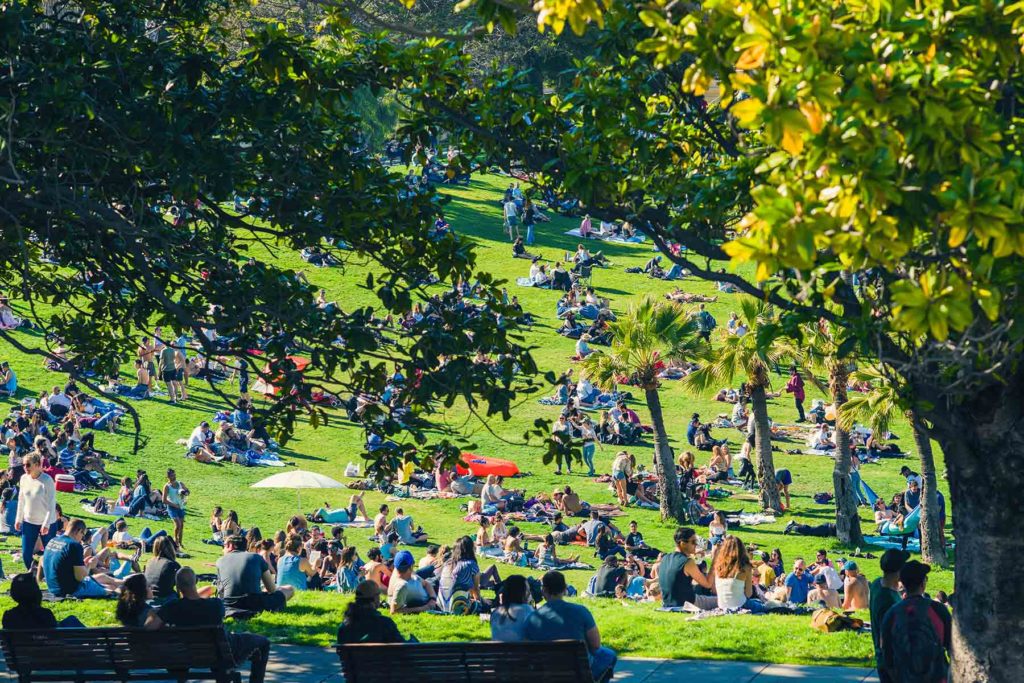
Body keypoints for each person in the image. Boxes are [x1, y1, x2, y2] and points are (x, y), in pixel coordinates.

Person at [158, 567, 272, 683]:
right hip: (219, 654)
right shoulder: (215, 605)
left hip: (184, 655)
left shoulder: (171, 607)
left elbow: (150, 626)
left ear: (177, 586)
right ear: (196, 581)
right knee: (263, 642)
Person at [525, 571, 617, 682]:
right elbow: (595, 645)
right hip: (578, 671)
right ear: (564, 589)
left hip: (547, 671)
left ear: (543, 590)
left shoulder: (533, 617)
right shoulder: (580, 611)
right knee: (609, 655)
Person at [880, 561, 951, 683]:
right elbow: (952, 648)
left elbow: (887, 657)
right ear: (923, 583)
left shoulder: (892, 614)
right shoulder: (938, 610)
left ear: (902, 583)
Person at [216, 534, 294, 615]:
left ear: (230, 545)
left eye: (224, 546)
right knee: (289, 589)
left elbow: (221, 593)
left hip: (229, 605)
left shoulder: (220, 561)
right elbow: (272, 589)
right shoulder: (256, 557)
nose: (223, 550)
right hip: (255, 604)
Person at [41, 518, 120, 598]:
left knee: (102, 579)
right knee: (111, 590)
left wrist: (83, 564)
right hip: (70, 589)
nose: (82, 538)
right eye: (82, 534)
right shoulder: (74, 545)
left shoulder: (53, 540)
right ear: (79, 531)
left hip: (53, 587)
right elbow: (80, 577)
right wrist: (90, 565)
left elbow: (45, 561)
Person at [15, 452, 57, 569]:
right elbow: (21, 500)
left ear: (38, 464)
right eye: (23, 465)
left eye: (28, 465)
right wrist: (18, 519)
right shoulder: (23, 478)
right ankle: (35, 573)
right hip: (29, 521)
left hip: (47, 522)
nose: (25, 468)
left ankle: (50, 575)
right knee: (26, 554)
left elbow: (51, 505)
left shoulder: (47, 480)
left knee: (50, 554)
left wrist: (46, 524)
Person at [870, 549, 909, 676]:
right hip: (891, 662)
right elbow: (885, 636)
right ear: (900, 570)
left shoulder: (877, 584)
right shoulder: (887, 599)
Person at [336, 580, 406, 649]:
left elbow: (340, 652)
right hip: (381, 660)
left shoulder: (345, 627)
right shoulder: (385, 624)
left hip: (353, 660)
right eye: (378, 594)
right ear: (375, 598)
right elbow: (402, 647)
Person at [658, 528, 716, 610]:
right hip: (688, 603)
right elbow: (708, 584)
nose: (696, 544)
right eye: (693, 542)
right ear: (682, 543)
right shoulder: (687, 562)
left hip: (668, 603)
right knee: (721, 601)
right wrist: (715, 561)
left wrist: (693, 554)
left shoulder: (665, 559)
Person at [2, 572, 85, 629]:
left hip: (18, 652)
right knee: (71, 620)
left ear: (14, 594)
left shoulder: (9, 616)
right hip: (50, 652)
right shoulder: (45, 614)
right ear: (37, 593)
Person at [711, 535, 755, 611]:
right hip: (741, 605)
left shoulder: (718, 567)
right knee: (762, 606)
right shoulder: (746, 568)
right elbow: (748, 594)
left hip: (722, 605)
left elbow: (714, 590)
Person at [388, 550, 438, 614]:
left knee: (432, 569)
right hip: (430, 596)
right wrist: (426, 607)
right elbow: (394, 611)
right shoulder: (402, 585)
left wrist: (432, 598)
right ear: (411, 566)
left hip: (431, 591)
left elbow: (426, 584)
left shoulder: (400, 571)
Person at [490, 574, 535, 641]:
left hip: (497, 650)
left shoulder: (495, 612)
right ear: (522, 592)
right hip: (519, 651)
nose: (529, 593)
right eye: (527, 590)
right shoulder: (528, 610)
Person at [144, 536, 182, 603]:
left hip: (147, 595)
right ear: (171, 548)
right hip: (164, 597)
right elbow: (180, 586)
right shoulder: (173, 564)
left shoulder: (149, 562)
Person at [162, 468, 189, 549]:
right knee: (178, 524)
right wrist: (174, 505)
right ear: (168, 477)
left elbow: (188, 491)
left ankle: (180, 543)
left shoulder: (180, 483)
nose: (174, 476)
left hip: (181, 506)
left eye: (174, 474)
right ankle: (175, 541)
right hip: (172, 507)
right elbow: (164, 500)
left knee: (182, 525)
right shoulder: (167, 486)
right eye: (172, 475)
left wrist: (185, 493)